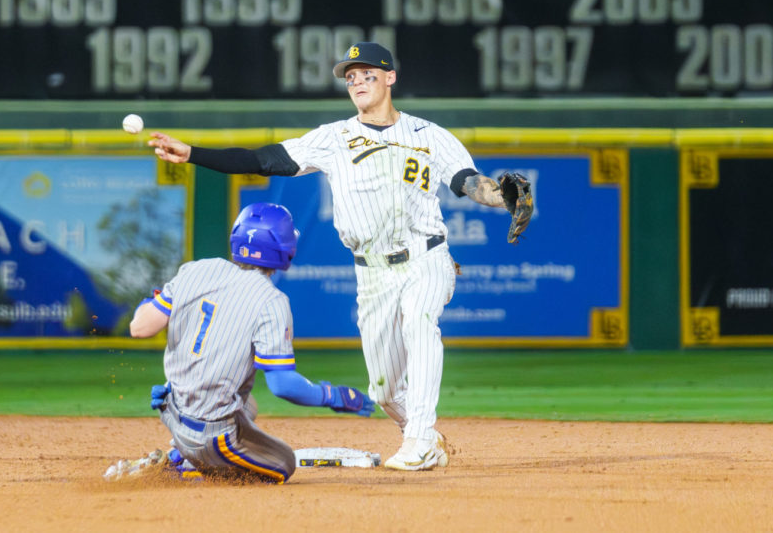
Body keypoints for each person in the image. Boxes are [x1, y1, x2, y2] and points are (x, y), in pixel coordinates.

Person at [149, 42, 520, 471]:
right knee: (383, 390)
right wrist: (194, 154)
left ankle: (418, 439)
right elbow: (260, 160)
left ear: (390, 78)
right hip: (372, 273)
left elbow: (469, 182)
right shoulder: (333, 139)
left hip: (426, 256)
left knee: (420, 320)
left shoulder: (430, 136)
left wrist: (502, 197)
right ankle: (425, 439)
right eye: (351, 77)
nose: (357, 81)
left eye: (367, 73)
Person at [112, 201, 375, 484]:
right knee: (284, 465)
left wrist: (148, 303)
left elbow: (140, 327)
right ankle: (187, 469)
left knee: (246, 404)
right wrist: (333, 396)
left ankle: (177, 455)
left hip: (171, 409)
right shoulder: (272, 301)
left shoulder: (199, 268)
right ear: (284, 248)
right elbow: (282, 385)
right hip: (211, 437)